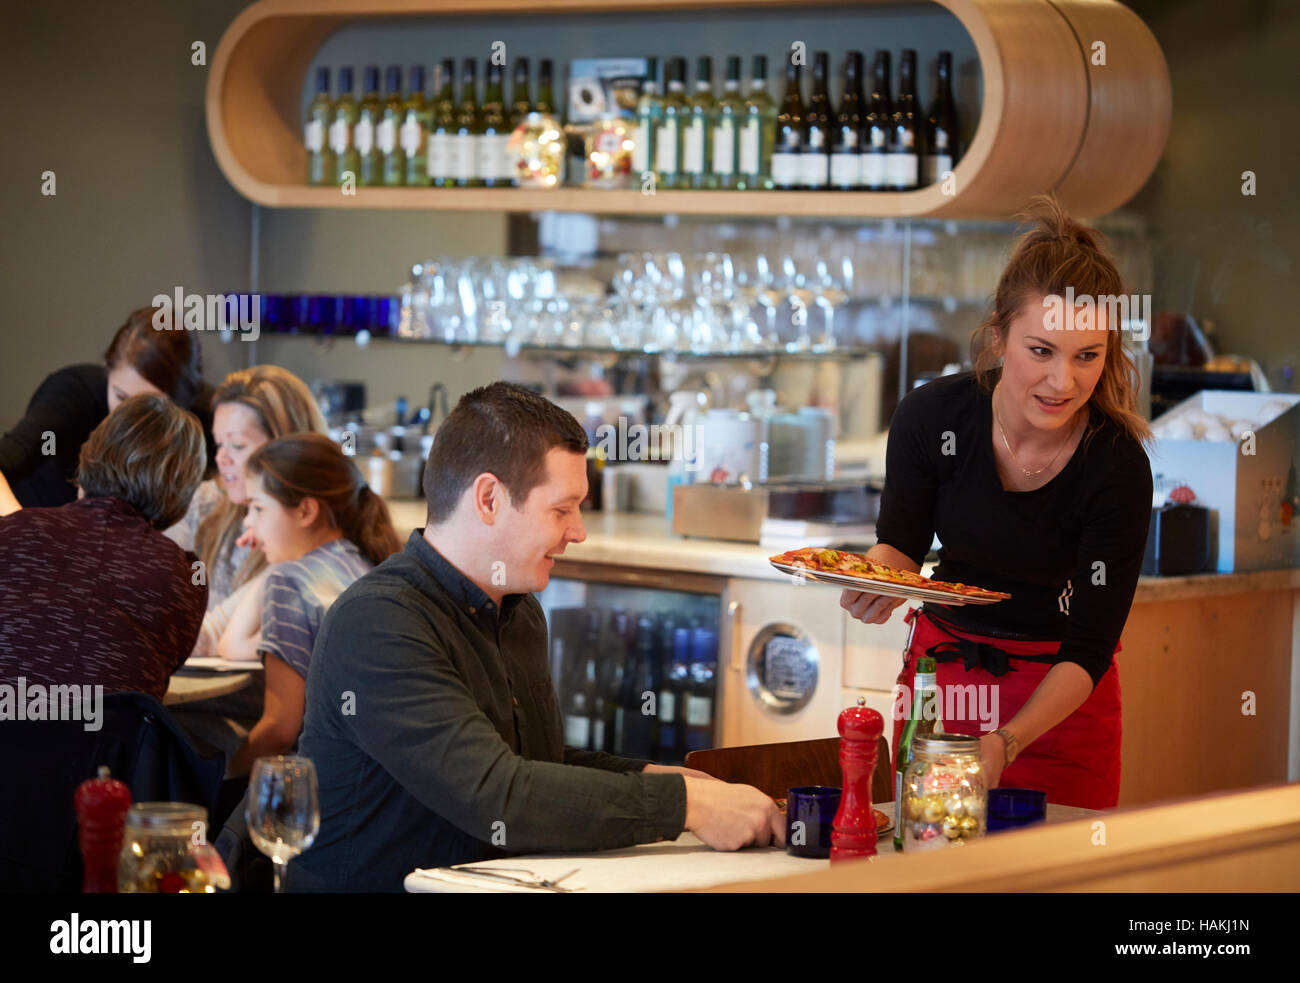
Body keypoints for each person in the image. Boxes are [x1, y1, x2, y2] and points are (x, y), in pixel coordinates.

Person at [287, 382, 783, 892]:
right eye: (562, 509)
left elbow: (535, 766)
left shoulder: (518, 611)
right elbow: (497, 793)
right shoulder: (379, 621)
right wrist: (688, 806)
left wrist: (658, 777)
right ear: (488, 499)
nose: (579, 531)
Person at [841, 194, 1154, 810]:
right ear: (998, 336)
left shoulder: (1115, 465)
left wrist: (1006, 743)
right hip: (948, 678)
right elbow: (902, 547)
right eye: (1041, 350)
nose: (1063, 381)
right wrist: (874, 579)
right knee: (932, 862)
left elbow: (1090, 648)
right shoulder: (932, 417)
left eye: (1087, 356)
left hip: (1063, 702)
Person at [166, 365, 328, 760]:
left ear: (286, 448)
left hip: (255, 724)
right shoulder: (207, 502)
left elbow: (215, 638)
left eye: (237, 446)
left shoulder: (305, 544)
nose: (221, 459)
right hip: (197, 704)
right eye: (218, 444)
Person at [0, 394, 208, 701]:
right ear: (182, 491)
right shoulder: (185, 576)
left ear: (91, 453)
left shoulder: (11, 531)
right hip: (109, 746)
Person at [221, 433, 402, 777]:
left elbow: (279, 730)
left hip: (329, 788)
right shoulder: (361, 560)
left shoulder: (290, 582)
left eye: (258, 508)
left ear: (305, 510)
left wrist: (219, 781)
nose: (248, 522)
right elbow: (233, 646)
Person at [0, 306, 212, 515]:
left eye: (150, 405)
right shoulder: (72, 397)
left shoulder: (207, 420)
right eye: (121, 397)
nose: (129, 414)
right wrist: (25, 534)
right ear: (106, 370)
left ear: (181, 402)